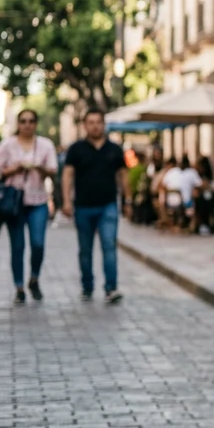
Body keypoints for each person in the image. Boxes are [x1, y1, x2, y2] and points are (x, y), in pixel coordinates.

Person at [62, 109, 126, 303]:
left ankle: (111, 287)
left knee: (109, 246)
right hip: (83, 207)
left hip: (108, 205)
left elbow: (123, 175)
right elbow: (67, 175)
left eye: (98, 121)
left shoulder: (114, 149)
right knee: (85, 249)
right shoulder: (76, 149)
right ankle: (87, 286)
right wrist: (66, 201)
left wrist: (129, 200)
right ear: (85, 125)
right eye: (91, 122)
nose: (95, 125)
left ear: (103, 124)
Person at [0, 109, 58, 303]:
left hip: (38, 201)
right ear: (18, 124)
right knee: (17, 247)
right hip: (14, 204)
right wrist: (14, 169)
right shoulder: (7, 145)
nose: (27, 124)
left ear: (36, 123)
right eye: (23, 121)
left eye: (31, 121)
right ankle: (19, 287)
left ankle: (34, 277)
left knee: (38, 243)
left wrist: (38, 167)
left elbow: (53, 171)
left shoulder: (45, 145)